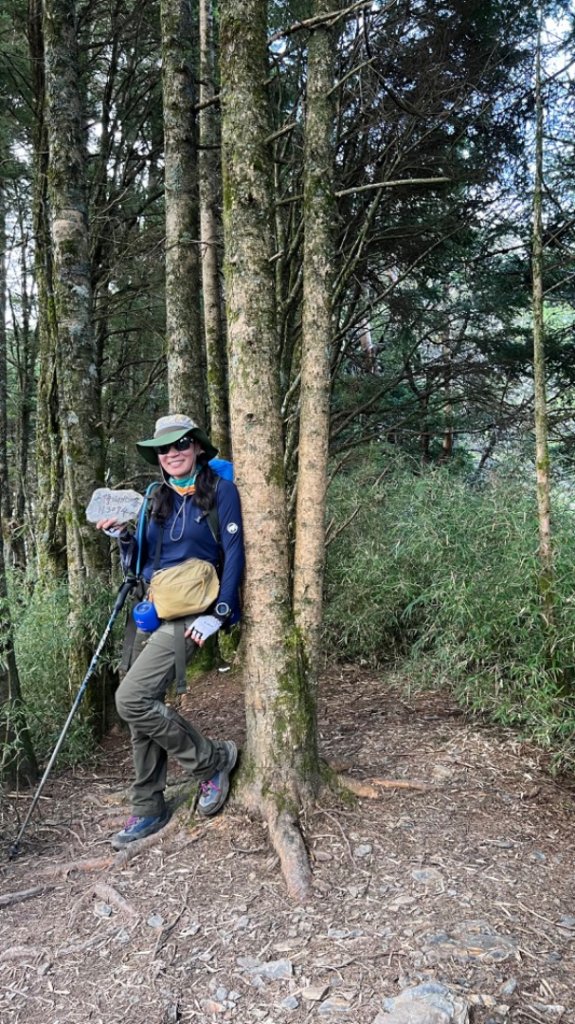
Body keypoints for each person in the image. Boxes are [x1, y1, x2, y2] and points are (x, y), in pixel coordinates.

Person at [96, 413, 244, 850]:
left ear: (197, 446)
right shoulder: (155, 497)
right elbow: (140, 560)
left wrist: (219, 613)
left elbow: (235, 553)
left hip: (196, 611)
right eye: (164, 448)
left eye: (181, 444)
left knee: (131, 699)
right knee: (142, 702)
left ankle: (211, 760)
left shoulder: (221, 491)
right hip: (157, 606)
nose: (172, 453)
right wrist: (124, 535)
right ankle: (148, 806)